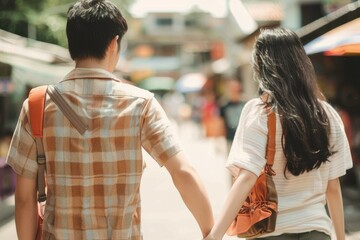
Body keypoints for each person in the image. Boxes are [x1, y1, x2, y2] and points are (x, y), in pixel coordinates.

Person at [6, 0, 213, 239]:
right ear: (114, 43)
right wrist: (211, 232)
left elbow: (23, 199)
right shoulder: (141, 104)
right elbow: (183, 172)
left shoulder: (37, 105)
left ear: (71, 43)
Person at [204, 27, 352, 240]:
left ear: (261, 66)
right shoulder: (327, 113)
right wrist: (340, 237)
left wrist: (214, 235)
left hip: (270, 231)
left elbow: (246, 177)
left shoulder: (259, 112)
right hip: (316, 229)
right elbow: (333, 187)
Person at [219, 78, 246, 152]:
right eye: (231, 87)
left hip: (245, 139)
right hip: (230, 140)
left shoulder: (245, 104)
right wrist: (219, 142)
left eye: (235, 87)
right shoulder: (224, 105)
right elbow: (221, 124)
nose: (233, 90)